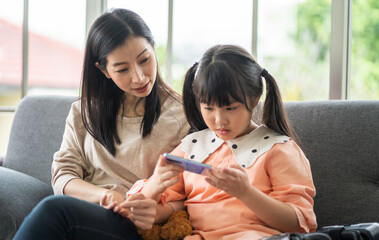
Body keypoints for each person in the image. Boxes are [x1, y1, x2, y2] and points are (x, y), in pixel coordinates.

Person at [13, 8, 190, 240]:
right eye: (123, 69)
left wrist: (154, 210)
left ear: (153, 49)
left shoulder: (183, 113)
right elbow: (63, 176)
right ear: (104, 70)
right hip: (96, 213)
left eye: (144, 60)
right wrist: (106, 197)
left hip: (143, 225)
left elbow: (197, 192)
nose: (139, 77)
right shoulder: (83, 113)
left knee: (55, 211)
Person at [127, 44, 317, 239]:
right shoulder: (191, 147)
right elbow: (139, 208)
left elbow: (300, 223)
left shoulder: (278, 149)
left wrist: (246, 193)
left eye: (230, 108)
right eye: (208, 108)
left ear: (254, 99)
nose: (219, 120)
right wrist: (156, 184)